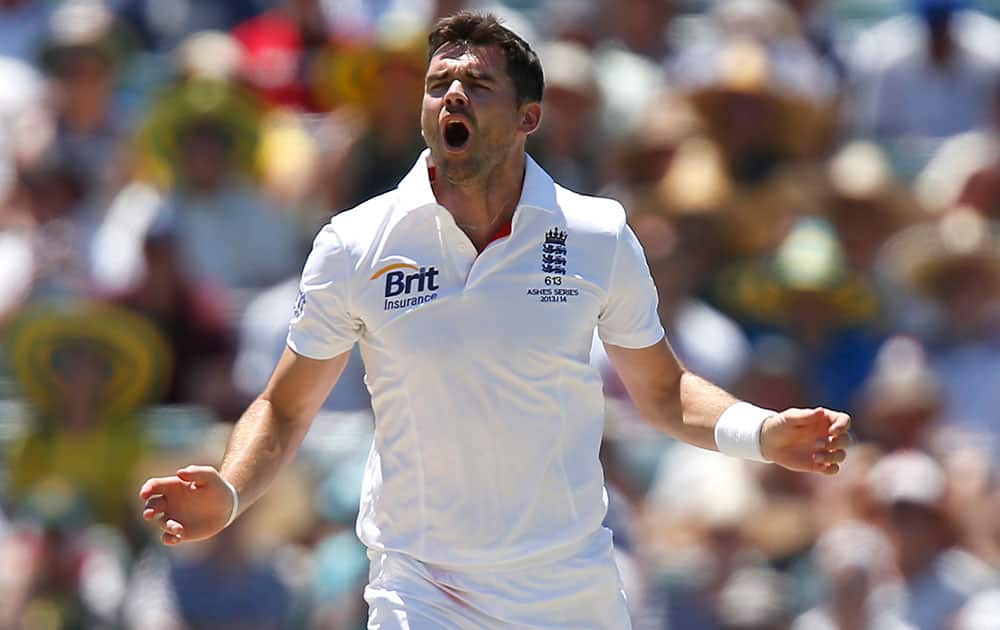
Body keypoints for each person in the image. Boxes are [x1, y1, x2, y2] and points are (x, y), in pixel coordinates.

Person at [139, 12, 851, 628]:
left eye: (477, 85)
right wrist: (231, 492)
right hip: (423, 587)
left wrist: (758, 432)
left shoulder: (597, 235)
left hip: (568, 590)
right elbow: (287, 408)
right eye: (437, 84)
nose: (452, 95)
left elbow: (662, 392)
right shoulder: (354, 244)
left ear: (527, 119)